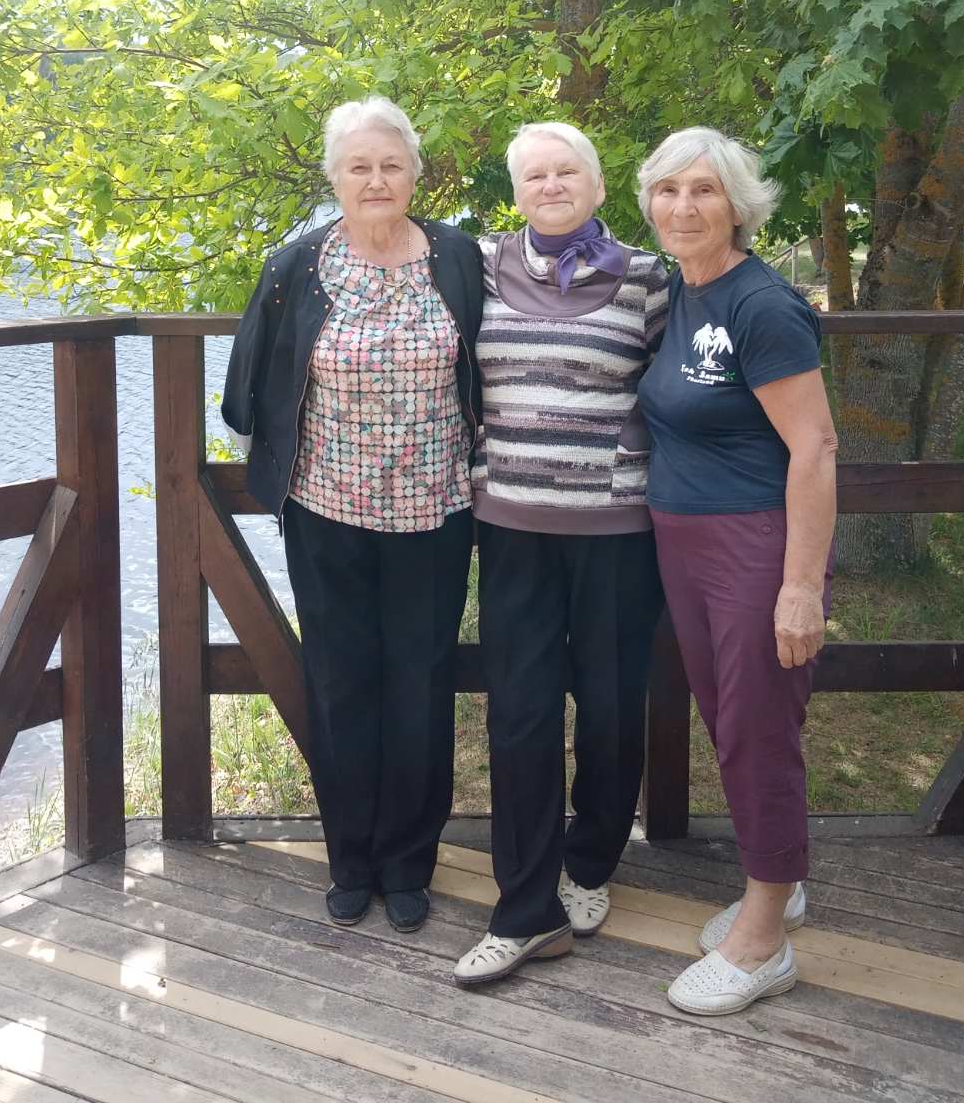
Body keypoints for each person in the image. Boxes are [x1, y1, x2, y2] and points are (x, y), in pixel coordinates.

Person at [221, 96, 482, 934]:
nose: (376, 180)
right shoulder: (295, 266)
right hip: (325, 510)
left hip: (435, 512)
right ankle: (351, 859)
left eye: (391, 165)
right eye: (358, 167)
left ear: (415, 175)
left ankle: (408, 864)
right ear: (334, 178)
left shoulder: (457, 257)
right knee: (340, 683)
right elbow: (246, 387)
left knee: (421, 683)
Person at [453, 122, 669, 987]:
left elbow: (685, 385)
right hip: (511, 528)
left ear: (598, 184)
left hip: (616, 532)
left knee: (611, 706)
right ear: (515, 193)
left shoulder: (649, 279)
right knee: (520, 712)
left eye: (567, 170)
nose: (551, 185)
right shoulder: (476, 266)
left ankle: (591, 860)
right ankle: (524, 901)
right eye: (534, 175)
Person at [635, 126, 837, 1017]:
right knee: (728, 721)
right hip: (686, 545)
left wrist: (800, 586)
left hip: (754, 546)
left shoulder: (761, 305)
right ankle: (777, 885)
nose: (683, 206)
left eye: (705, 190)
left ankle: (764, 942)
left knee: (757, 729)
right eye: (668, 189)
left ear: (739, 206)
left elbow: (816, 447)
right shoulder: (682, 289)